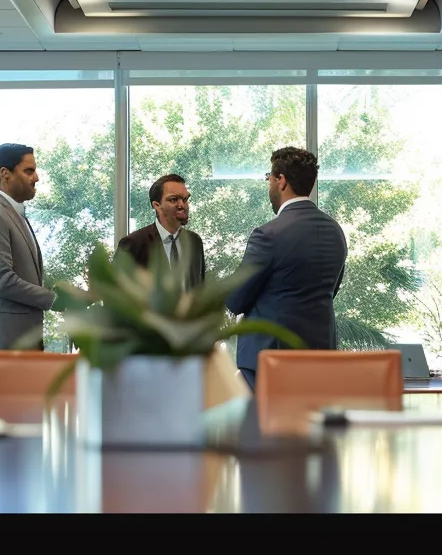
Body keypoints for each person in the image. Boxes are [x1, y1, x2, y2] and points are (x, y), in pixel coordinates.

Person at [225, 147, 348, 391]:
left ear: (281, 181)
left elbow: (236, 299)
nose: (269, 185)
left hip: (272, 363)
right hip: (321, 360)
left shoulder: (268, 234)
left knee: (267, 429)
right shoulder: (335, 232)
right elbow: (330, 291)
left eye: (269, 178)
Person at [0, 143, 58, 352]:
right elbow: (2, 281)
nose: (36, 178)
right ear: (5, 174)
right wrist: (53, 299)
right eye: (29, 171)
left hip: (17, 341)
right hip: (2, 342)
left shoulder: (13, 212)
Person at [116, 173, 206, 290]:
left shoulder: (194, 241)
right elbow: (115, 293)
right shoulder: (134, 243)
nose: (182, 205)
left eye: (185, 199)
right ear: (157, 205)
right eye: (174, 200)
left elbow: (199, 288)